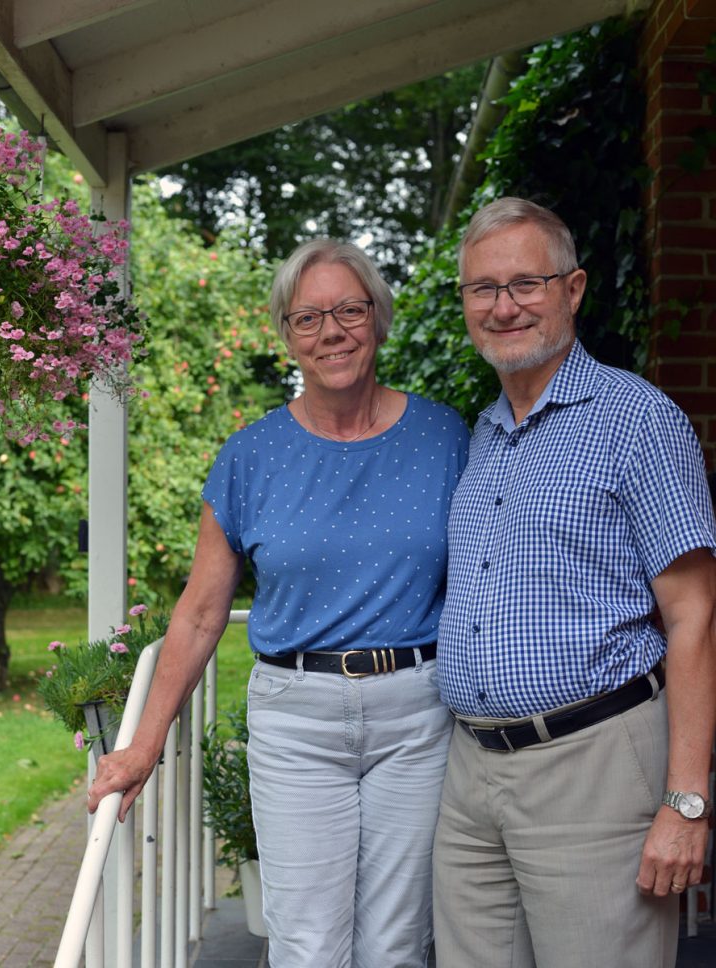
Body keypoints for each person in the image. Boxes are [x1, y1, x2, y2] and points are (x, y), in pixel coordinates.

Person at [89, 239, 470, 968]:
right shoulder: (249, 457)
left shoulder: (445, 438)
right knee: (307, 946)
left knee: (399, 945)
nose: (332, 331)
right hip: (297, 722)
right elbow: (201, 613)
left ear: (379, 319)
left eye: (350, 310)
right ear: (286, 336)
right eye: (308, 318)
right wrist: (142, 746)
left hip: (418, 718)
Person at [432, 197, 716, 968]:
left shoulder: (638, 420)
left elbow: (695, 617)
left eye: (527, 282)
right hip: (472, 778)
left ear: (574, 288)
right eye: (483, 289)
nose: (503, 306)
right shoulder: (483, 433)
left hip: (592, 765)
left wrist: (687, 803)